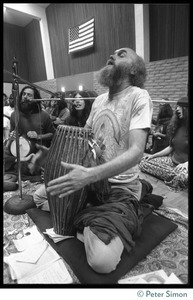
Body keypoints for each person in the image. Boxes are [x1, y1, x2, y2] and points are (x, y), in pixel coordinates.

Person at [28, 47, 153, 273]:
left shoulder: (139, 96)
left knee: (101, 263)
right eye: (113, 53)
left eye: (122, 54)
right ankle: (88, 218)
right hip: (91, 182)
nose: (113, 54)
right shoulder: (99, 101)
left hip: (121, 188)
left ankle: (96, 216)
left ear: (134, 69)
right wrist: (52, 156)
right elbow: (82, 142)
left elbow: (136, 151)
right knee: (38, 197)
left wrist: (91, 174)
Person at [139, 96, 188, 191]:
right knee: (143, 162)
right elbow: (171, 147)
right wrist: (153, 156)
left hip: (185, 166)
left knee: (182, 177)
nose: (177, 109)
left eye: (181, 107)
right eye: (177, 107)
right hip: (172, 163)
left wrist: (187, 164)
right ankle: (173, 178)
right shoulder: (178, 126)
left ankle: (174, 177)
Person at [4, 85, 56, 175]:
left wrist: (38, 136)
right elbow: (13, 134)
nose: (25, 97)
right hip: (20, 158)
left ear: (35, 99)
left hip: (38, 158)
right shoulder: (14, 115)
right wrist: (12, 136)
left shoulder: (44, 115)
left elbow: (53, 134)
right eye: (24, 94)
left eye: (29, 95)